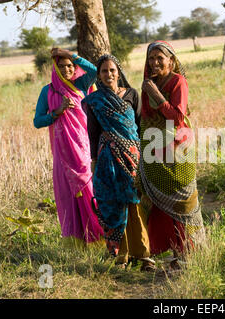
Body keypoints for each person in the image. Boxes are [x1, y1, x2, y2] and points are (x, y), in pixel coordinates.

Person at [82, 54, 155, 271]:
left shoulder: (132, 94)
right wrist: (94, 162)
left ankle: (143, 255)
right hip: (108, 159)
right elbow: (93, 134)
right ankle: (120, 256)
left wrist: (146, 157)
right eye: (104, 71)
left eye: (112, 70)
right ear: (99, 75)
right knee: (114, 203)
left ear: (119, 71)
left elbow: (140, 126)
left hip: (133, 157)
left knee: (134, 202)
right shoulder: (95, 101)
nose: (109, 74)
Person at [139, 40, 205, 269]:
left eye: (160, 58)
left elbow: (176, 117)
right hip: (152, 150)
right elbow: (144, 117)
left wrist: (156, 93)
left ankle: (189, 252)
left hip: (177, 150)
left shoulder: (178, 82)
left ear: (171, 61)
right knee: (155, 201)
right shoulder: (148, 84)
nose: (155, 63)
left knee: (183, 202)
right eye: (151, 58)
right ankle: (164, 252)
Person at [33, 48, 103, 247]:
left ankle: (97, 237)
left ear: (75, 67)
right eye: (61, 66)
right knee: (66, 194)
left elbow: (95, 71)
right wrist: (57, 112)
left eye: (70, 66)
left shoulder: (81, 84)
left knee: (89, 189)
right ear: (55, 68)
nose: (66, 69)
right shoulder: (48, 91)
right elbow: (37, 121)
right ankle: (75, 242)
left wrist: (68, 53)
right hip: (62, 155)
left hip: (83, 149)